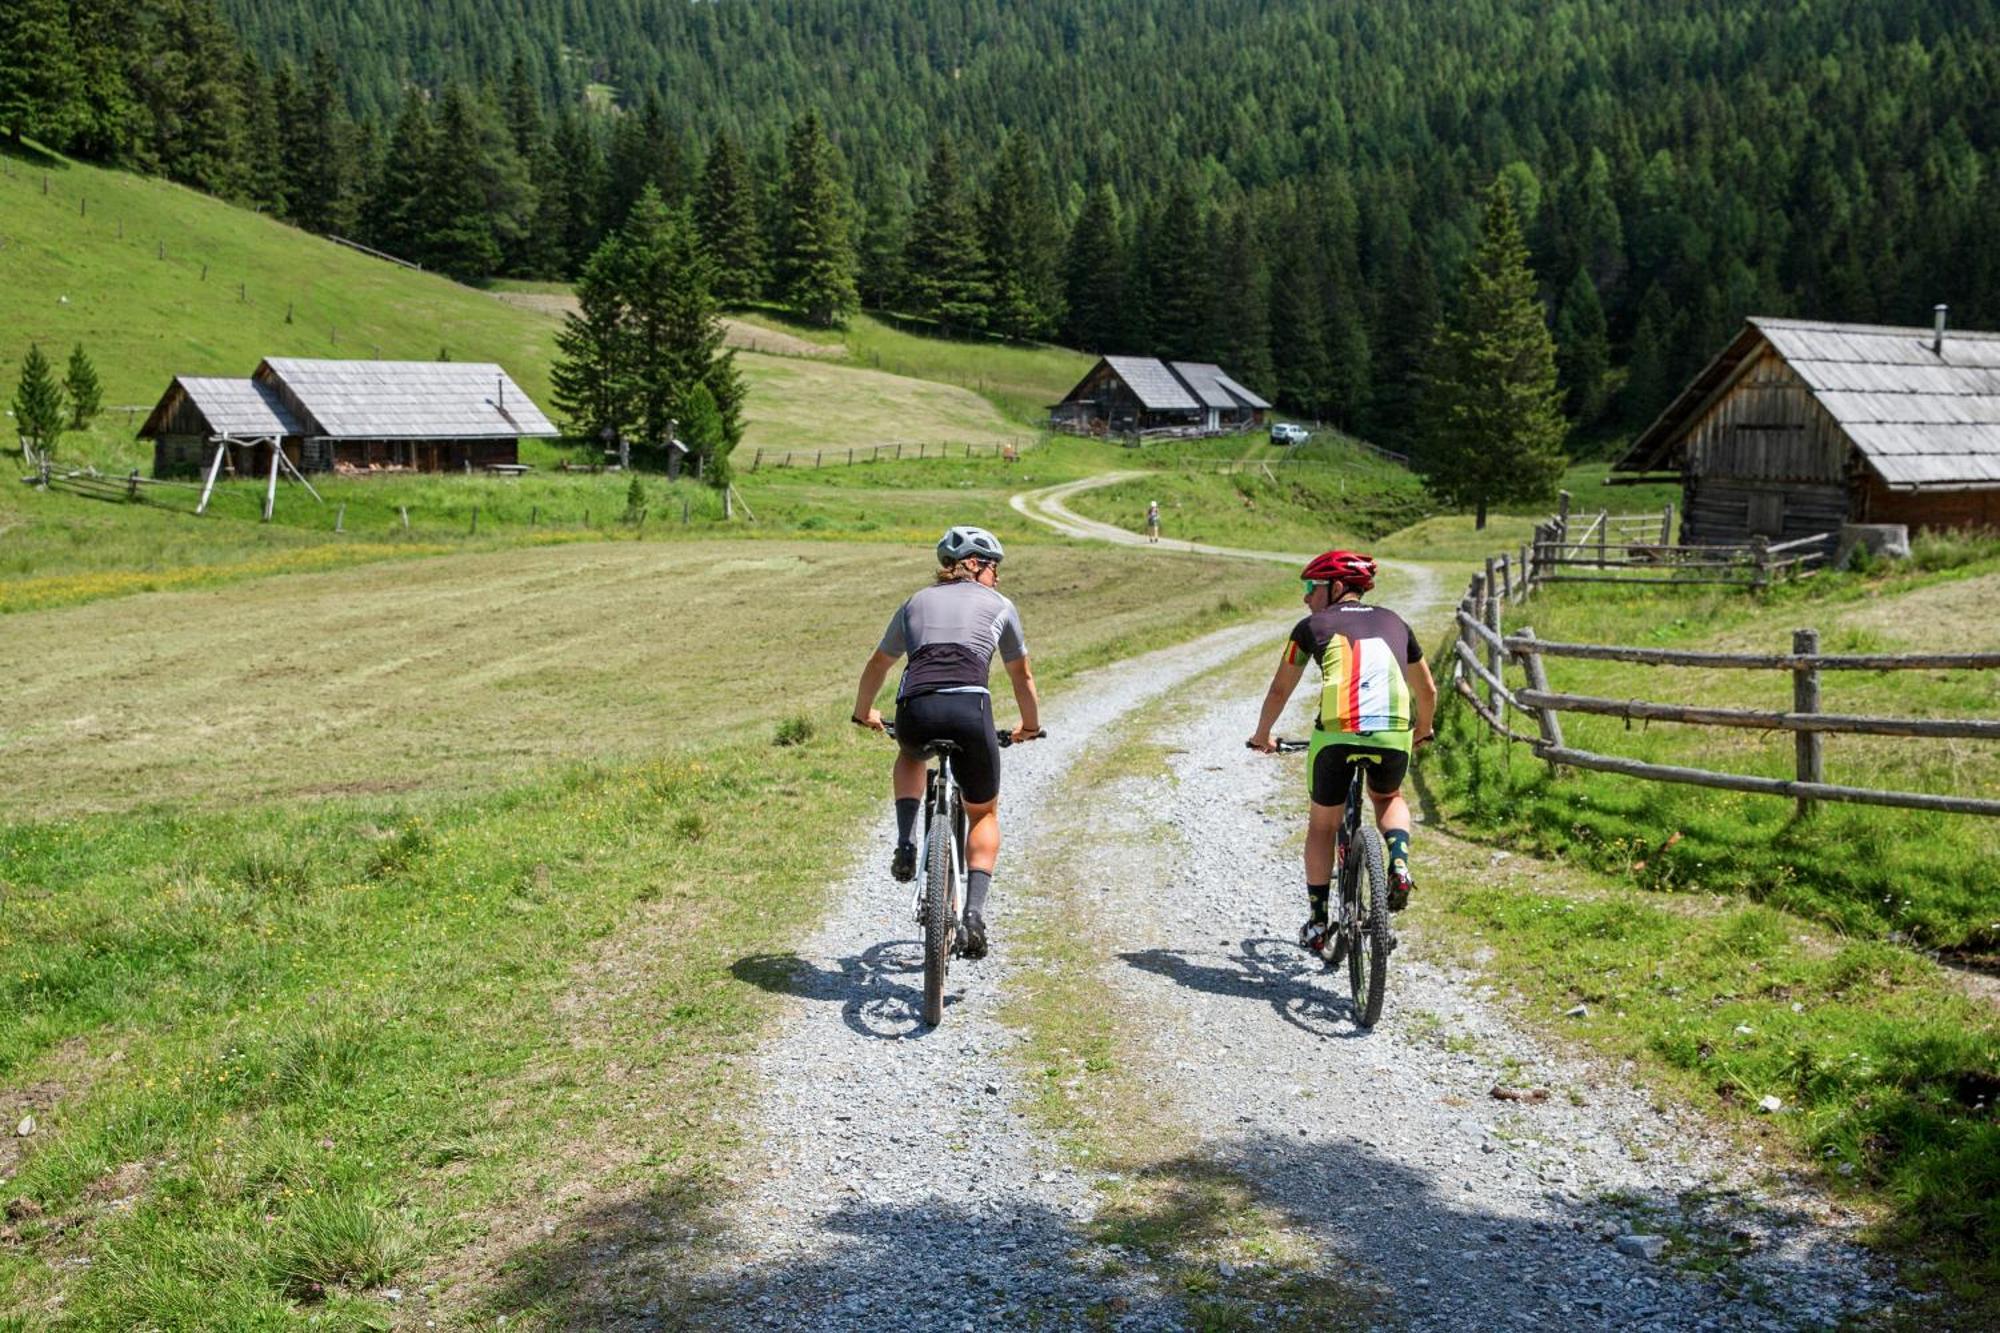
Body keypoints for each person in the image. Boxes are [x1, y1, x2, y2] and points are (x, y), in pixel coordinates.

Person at [853, 525, 1043, 959]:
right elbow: (1021, 676)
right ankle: (973, 917)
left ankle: (905, 841)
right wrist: (1029, 726)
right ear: (975, 565)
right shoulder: (1000, 606)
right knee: (983, 811)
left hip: (916, 709)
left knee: (909, 751)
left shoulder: (915, 602)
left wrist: (865, 712)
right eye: (994, 568)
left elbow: (879, 663)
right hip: (970, 711)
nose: (998, 577)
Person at [1247, 549, 1436, 951]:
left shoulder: (1309, 627)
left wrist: (1263, 735)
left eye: (1310, 587)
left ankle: (1317, 923)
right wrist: (1423, 729)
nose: (1305, 597)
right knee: (1388, 796)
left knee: (1322, 824)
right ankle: (1398, 864)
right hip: (1391, 733)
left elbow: (1281, 688)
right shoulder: (1395, 622)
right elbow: (1428, 690)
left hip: (1336, 734)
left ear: (1335, 587)